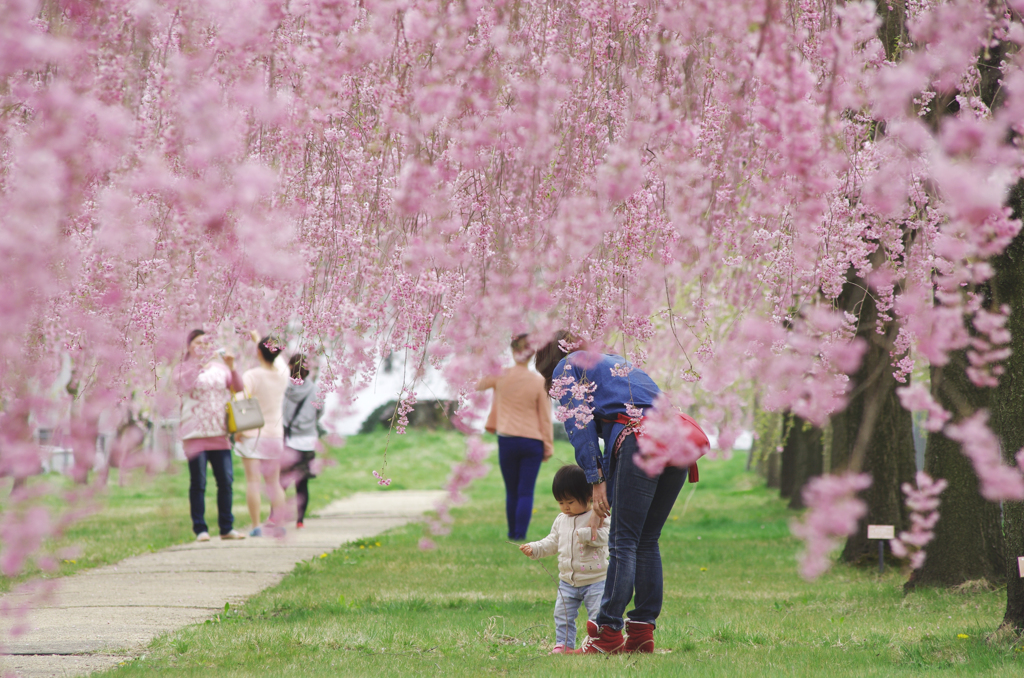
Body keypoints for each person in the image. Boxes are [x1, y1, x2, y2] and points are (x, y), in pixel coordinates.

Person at [535, 331, 708, 655]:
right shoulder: (616, 362)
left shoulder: (567, 368)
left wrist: (596, 478)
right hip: (677, 436)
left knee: (624, 540)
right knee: (646, 540)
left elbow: (582, 428)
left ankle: (608, 631)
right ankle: (642, 632)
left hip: (640, 438)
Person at [520, 465, 609, 654]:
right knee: (562, 615)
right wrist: (535, 548)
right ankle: (564, 644)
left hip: (595, 580)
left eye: (569, 501)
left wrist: (587, 535)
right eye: (560, 502)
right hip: (567, 581)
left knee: (597, 616)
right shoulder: (561, 519)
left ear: (588, 497)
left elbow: (608, 537)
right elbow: (552, 541)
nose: (565, 507)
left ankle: (598, 642)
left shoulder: (598, 516)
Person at [476, 334, 554, 541]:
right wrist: (548, 446)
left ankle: (513, 535)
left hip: (508, 440)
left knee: (512, 491)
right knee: (526, 491)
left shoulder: (500, 375)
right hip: (533, 442)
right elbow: (545, 418)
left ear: (512, 351)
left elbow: (478, 385)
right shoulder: (539, 381)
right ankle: (520, 535)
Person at [177, 329, 247, 541]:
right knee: (198, 483)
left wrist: (232, 367)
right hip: (195, 434)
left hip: (220, 433)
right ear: (189, 346)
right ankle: (201, 529)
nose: (204, 347)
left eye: (207, 343)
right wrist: (198, 364)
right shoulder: (182, 369)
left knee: (225, 481)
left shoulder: (220, 368)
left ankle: (226, 527)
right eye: (199, 343)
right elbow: (183, 385)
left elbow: (238, 387)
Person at [236, 332, 288, 537]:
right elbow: (281, 361)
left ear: (258, 351)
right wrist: (258, 339)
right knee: (274, 483)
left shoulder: (252, 375)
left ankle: (256, 526)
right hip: (275, 435)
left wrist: (238, 431)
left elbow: (241, 401)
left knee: (253, 482)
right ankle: (280, 524)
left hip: (253, 434)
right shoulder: (282, 375)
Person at [281, 353, 319, 528]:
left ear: (289, 367)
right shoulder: (315, 390)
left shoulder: (284, 388)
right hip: (307, 440)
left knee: (282, 482)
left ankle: (276, 516)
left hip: (287, 440)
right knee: (302, 484)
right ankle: (300, 520)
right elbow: (320, 412)